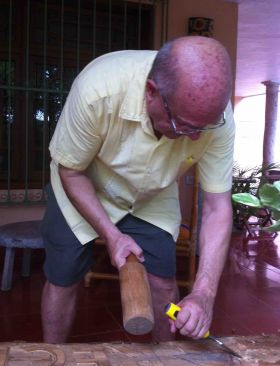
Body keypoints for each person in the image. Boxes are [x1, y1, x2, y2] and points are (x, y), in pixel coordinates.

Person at [41, 36, 235, 343]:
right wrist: (112, 235)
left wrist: (203, 294)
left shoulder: (216, 119)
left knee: (164, 283)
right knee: (63, 277)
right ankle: (52, 357)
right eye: (184, 126)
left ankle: (166, 361)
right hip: (83, 182)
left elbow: (217, 207)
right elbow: (72, 171)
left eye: (204, 128)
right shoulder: (97, 89)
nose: (196, 139)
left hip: (151, 192)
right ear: (151, 93)